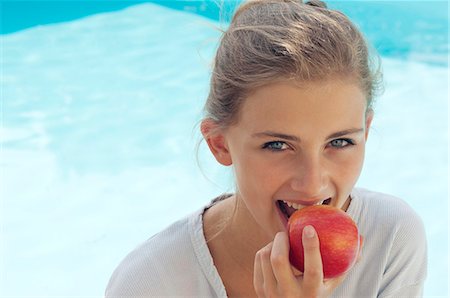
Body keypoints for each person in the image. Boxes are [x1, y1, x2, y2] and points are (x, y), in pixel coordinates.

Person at [105, 0, 427, 297]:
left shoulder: (392, 239)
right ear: (219, 144)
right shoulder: (149, 283)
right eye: (277, 145)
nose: (313, 184)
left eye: (340, 142)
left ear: (366, 133)